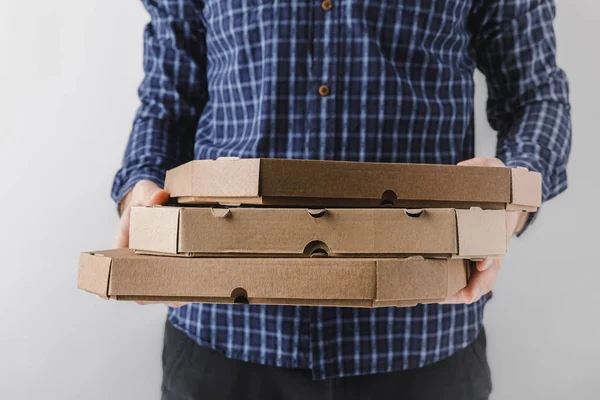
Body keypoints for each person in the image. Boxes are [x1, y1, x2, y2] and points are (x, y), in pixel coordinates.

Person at [112, 1, 571, 399]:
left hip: (421, 335)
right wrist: (141, 189)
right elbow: (167, 100)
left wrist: (506, 205)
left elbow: (536, 96)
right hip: (225, 334)